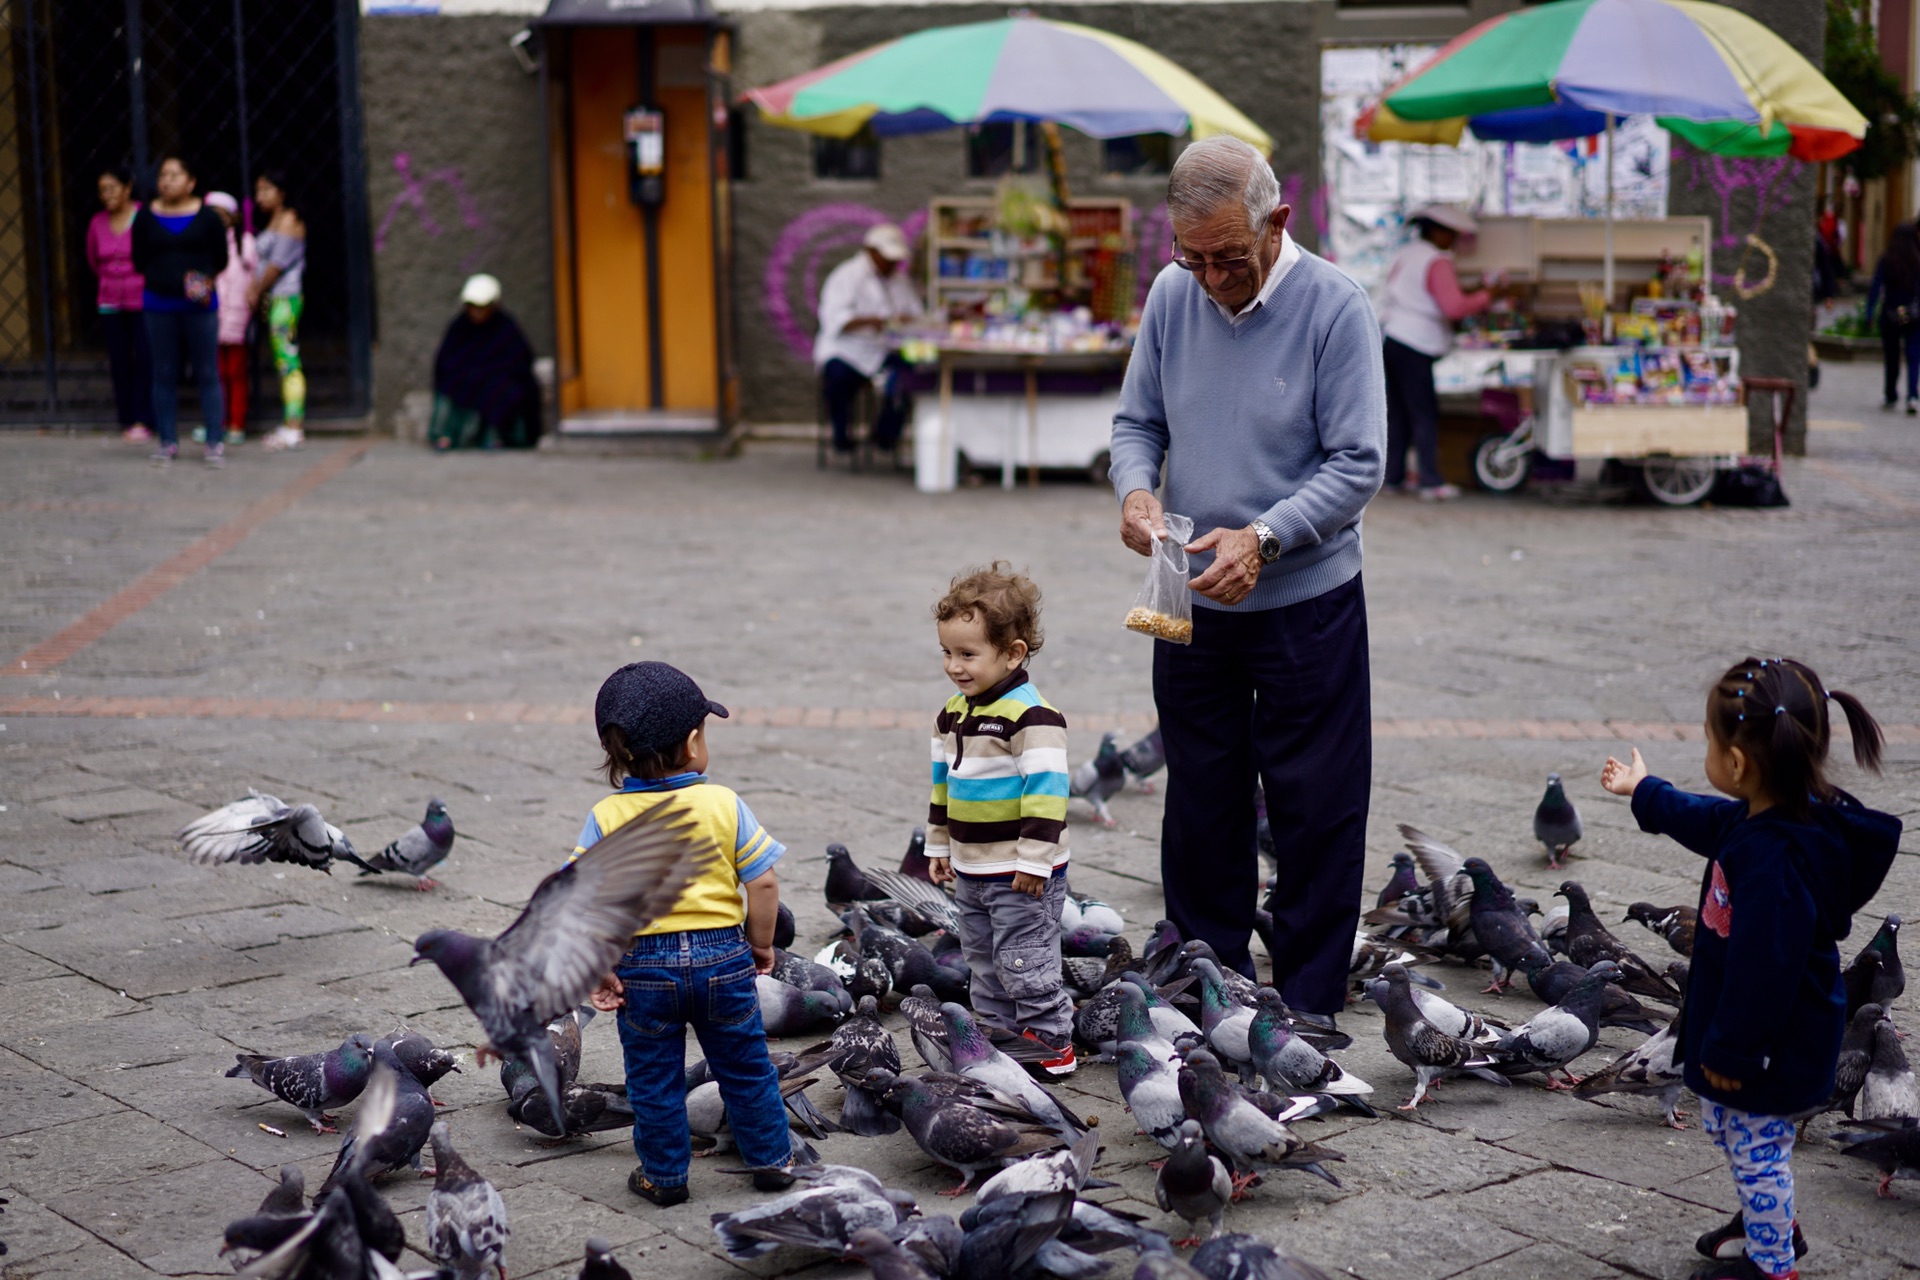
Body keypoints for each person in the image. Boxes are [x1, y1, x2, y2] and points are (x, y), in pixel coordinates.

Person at [1109, 135, 1384, 1028]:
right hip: (1189, 593)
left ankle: (1307, 1005)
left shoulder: (1336, 307)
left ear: (1278, 222)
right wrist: (1138, 491)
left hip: (1304, 601)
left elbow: (1357, 465)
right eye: (1193, 257)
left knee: (1317, 807)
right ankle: (1207, 985)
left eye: (1230, 256)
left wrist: (1265, 538)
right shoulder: (1170, 293)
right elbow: (1136, 422)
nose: (1212, 277)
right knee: (1199, 798)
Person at [1601, 658, 1898, 1280]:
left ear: (1737, 764)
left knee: (1756, 1144)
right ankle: (1770, 1220)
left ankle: (1772, 1264)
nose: (1707, 754)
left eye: (1709, 743)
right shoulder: (1770, 815)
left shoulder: (1774, 862)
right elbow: (1705, 819)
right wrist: (1645, 792)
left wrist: (1734, 1056)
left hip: (1771, 1044)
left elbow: (1767, 970)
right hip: (1764, 1037)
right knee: (1739, 1133)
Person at [576, 661, 795, 1207]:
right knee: (746, 1067)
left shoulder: (606, 816)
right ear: (694, 741)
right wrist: (760, 943)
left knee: (654, 1080)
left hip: (643, 970)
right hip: (724, 957)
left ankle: (664, 1177)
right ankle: (773, 1160)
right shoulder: (722, 803)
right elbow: (764, 884)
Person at [925, 564, 1076, 1074]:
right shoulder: (952, 712)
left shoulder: (1031, 716)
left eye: (968, 655)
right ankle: (995, 1033)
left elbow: (1048, 793)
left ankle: (1052, 1039)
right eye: (947, 652)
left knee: (1025, 956)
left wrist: (1036, 860)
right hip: (973, 867)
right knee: (982, 956)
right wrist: (939, 845)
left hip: (1021, 870)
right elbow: (943, 783)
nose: (954, 666)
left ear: (1012, 653)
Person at [1376, 204, 1497, 500]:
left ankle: (1393, 479)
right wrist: (1487, 296)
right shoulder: (1436, 260)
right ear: (1438, 232)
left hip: (1392, 338)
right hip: (1416, 342)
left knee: (1399, 414)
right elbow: (1453, 307)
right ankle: (1430, 481)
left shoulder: (1407, 254)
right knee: (1423, 412)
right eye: (1452, 235)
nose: (1455, 242)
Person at [130, 155, 227, 467]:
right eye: (163, 175)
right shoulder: (145, 217)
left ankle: (214, 440)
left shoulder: (208, 218)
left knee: (207, 371)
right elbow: (139, 259)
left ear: (191, 181)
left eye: (175, 174)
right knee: (164, 372)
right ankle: (167, 441)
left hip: (199, 307)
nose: (167, 180)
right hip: (159, 304)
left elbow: (221, 259)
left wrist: (200, 280)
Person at [814, 222, 920, 455]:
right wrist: (875, 321)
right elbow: (835, 320)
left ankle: (885, 436)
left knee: (909, 374)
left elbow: (915, 313)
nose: (893, 264)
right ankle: (841, 438)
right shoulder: (846, 276)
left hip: (881, 350)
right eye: (888, 258)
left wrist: (905, 321)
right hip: (845, 351)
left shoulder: (899, 280)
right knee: (837, 378)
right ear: (871, 251)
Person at [428, 274, 543, 450]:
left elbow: (519, 361)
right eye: (473, 307)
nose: (478, 313)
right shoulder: (459, 327)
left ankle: (498, 437)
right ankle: (448, 436)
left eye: (483, 307)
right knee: (453, 386)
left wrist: (488, 370)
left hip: (497, 379)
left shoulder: (505, 327)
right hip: (467, 379)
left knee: (504, 390)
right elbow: (445, 361)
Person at [87, 165, 153, 444]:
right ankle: (126, 417)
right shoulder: (97, 223)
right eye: (102, 190)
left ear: (127, 188)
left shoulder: (144, 216)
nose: (106, 195)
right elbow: (93, 260)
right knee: (119, 360)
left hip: (142, 299)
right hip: (110, 301)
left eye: (112, 188)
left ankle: (144, 417)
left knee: (146, 357)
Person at [250, 170, 307, 450]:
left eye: (266, 190)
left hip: (285, 300)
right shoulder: (275, 220)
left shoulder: (289, 220)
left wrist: (256, 290)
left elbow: (277, 263)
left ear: (282, 192)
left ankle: (293, 427)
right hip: (277, 301)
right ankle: (290, 424)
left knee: (288, 361)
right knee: (284, 360)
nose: (259, 197)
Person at [205, 192, 257, 445]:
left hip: (236, 316)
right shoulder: (202, 243)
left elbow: (254, 277)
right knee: (214, 373)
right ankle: (217, 421)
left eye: (221, 215)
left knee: (235, 372)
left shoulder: (245, 243)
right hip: (210, 314)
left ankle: (236, 422)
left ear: (233, 218)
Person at [1866, 219, 1920, 413]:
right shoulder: (1917, 259)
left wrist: (1869, 312)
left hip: (1890, 314)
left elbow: (1875, 286)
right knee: (1914, 356)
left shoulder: (1887, 259)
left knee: (1892, 356)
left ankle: (1890, 394)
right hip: (1913, 316)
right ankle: (1912, 396)